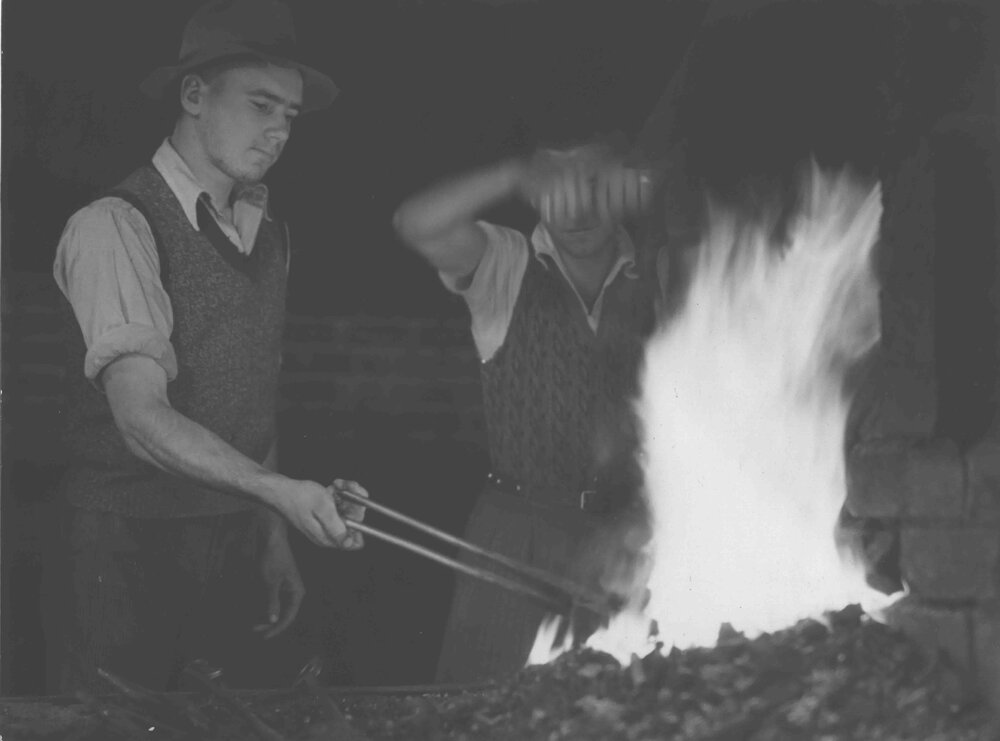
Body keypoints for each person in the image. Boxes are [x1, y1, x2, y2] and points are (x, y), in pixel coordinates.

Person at [48, 0, 367, 693]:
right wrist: (278, 493)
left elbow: (253, 395)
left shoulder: (269, 230)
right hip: (123, 545)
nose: (280, 130)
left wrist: (274, 532)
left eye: (290, 114)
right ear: (194, 94)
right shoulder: (115, 225)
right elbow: (140, 418)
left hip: (230, 541)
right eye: (260, 104)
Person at [393, 127, 666, 682]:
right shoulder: (505, 261)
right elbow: (415, 224)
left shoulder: (660, 274)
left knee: (613, 710)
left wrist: (641, 520)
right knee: (484, 705)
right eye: (555, 187)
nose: (575, 206)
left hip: (627, 534)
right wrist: (516, 173)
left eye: (591, 183)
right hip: (517, 528)